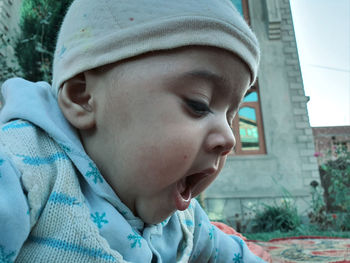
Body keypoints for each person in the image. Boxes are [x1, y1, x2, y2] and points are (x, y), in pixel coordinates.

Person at [0, 0, 265, 262]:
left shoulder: (185, 221)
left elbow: (231, 255)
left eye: (232, 116)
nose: (229, 138)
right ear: (83, 97)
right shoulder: (24, 166)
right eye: (199, 104)